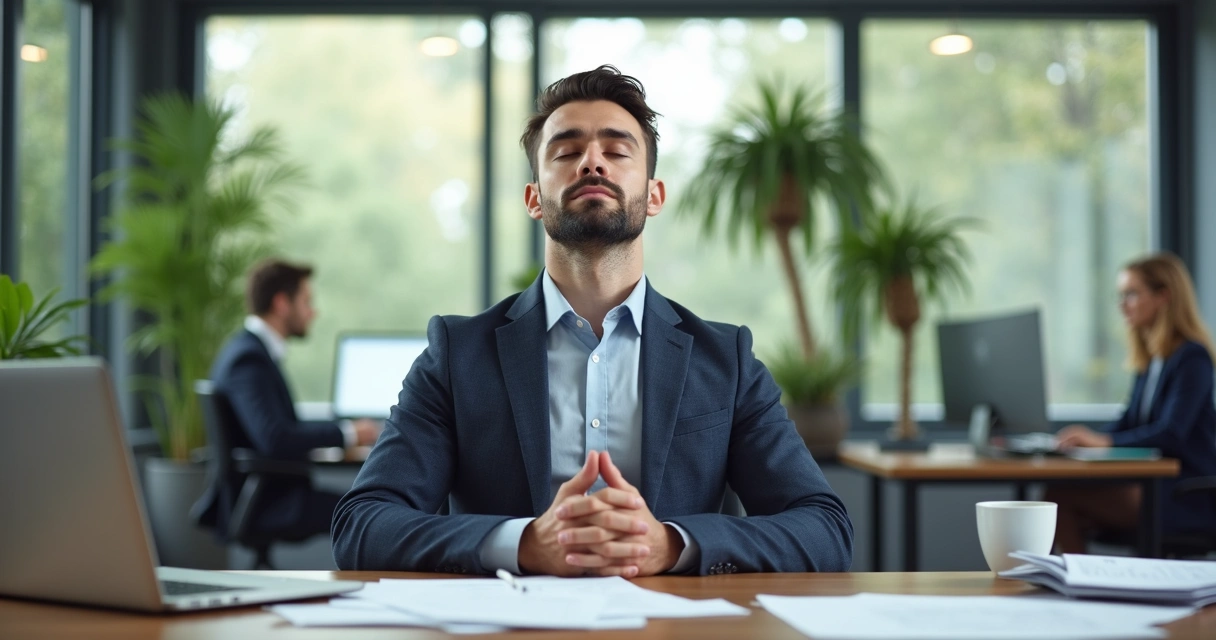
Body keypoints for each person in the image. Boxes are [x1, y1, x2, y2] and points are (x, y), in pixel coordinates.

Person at [331, 65, 853, 577]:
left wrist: (671, 545)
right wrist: (523, 544)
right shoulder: (458, 353)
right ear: (534, 199)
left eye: (617, 150)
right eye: (566, 151)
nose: (592, 163)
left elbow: (824, 528)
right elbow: (362, 524)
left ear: (654, 196)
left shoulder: (725, 358)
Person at [1046, 252, 1216, 553]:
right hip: (1152, 484)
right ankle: (1083, 587)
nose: (1123, 305)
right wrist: (1089, 439)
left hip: (1184, 492)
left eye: (1132, 294)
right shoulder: (1152, 360)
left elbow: (1171, 433)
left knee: (1058, 498)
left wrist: (1104, 442)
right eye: (1121, 296)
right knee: (1059, 500)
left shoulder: (1192, 358)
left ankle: (1084, 589)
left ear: (1163, 296)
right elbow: (1129, 421)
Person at [199, 259, 380, 540]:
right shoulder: (248, 359)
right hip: (270, 501)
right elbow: (274, 437)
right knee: (367, 512)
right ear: (282, 303)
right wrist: (348, 433)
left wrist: (340, 438)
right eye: (306, 302)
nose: (313, 312)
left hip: (267, 493)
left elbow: (273, 429)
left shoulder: (249, 350)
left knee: (363, 507)